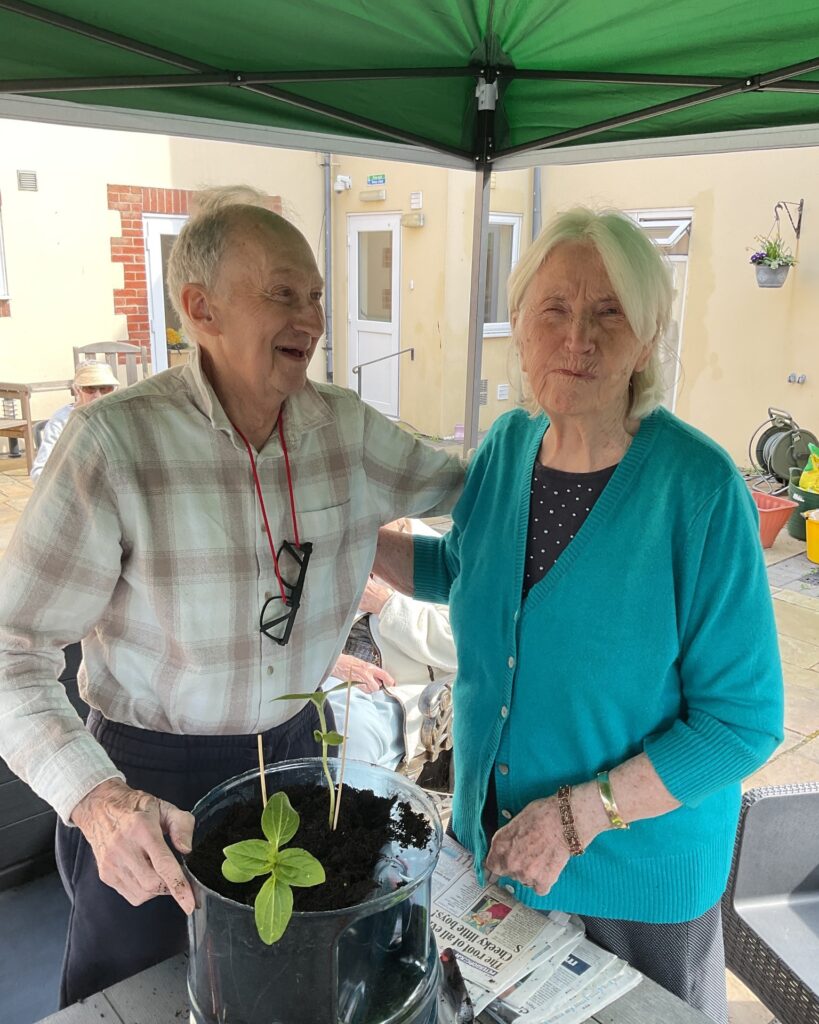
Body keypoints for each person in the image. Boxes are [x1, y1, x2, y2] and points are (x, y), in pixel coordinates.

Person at [0, 187, 463, 1006]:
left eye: (315, 296)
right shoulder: (115, 444)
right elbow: (12, 654)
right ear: (199, 309)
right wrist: (98, 803)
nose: (310, 318)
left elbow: (478, 493)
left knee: (287, 993)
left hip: (298, 757)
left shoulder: (345, 429)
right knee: (139, 998)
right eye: (282, 293)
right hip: (150, 780)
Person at [374, 208, 784, 1023]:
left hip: (635, 890)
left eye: (609, 313)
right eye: (553, 310)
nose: (577, 339)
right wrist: (353, 544)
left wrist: (575, 818)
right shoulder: (507, 447)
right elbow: (463, 570)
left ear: (648, 337)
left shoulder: (698, 491)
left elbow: (742, 723)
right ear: (519, 326)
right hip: (494, 854)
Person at [324, 518, 456, 771]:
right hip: (325, 677)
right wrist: (330, 662)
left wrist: (386, 604)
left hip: (394, 693)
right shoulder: (328, 547)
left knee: (353, 733)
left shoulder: (437, 552)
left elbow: (460, 646)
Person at [30, 360, 120, 480]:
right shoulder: (62, 420)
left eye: (105, 389)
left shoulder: (118, 416)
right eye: (90, 388)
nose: (98, 395)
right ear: (77, 389)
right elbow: (39, 472)